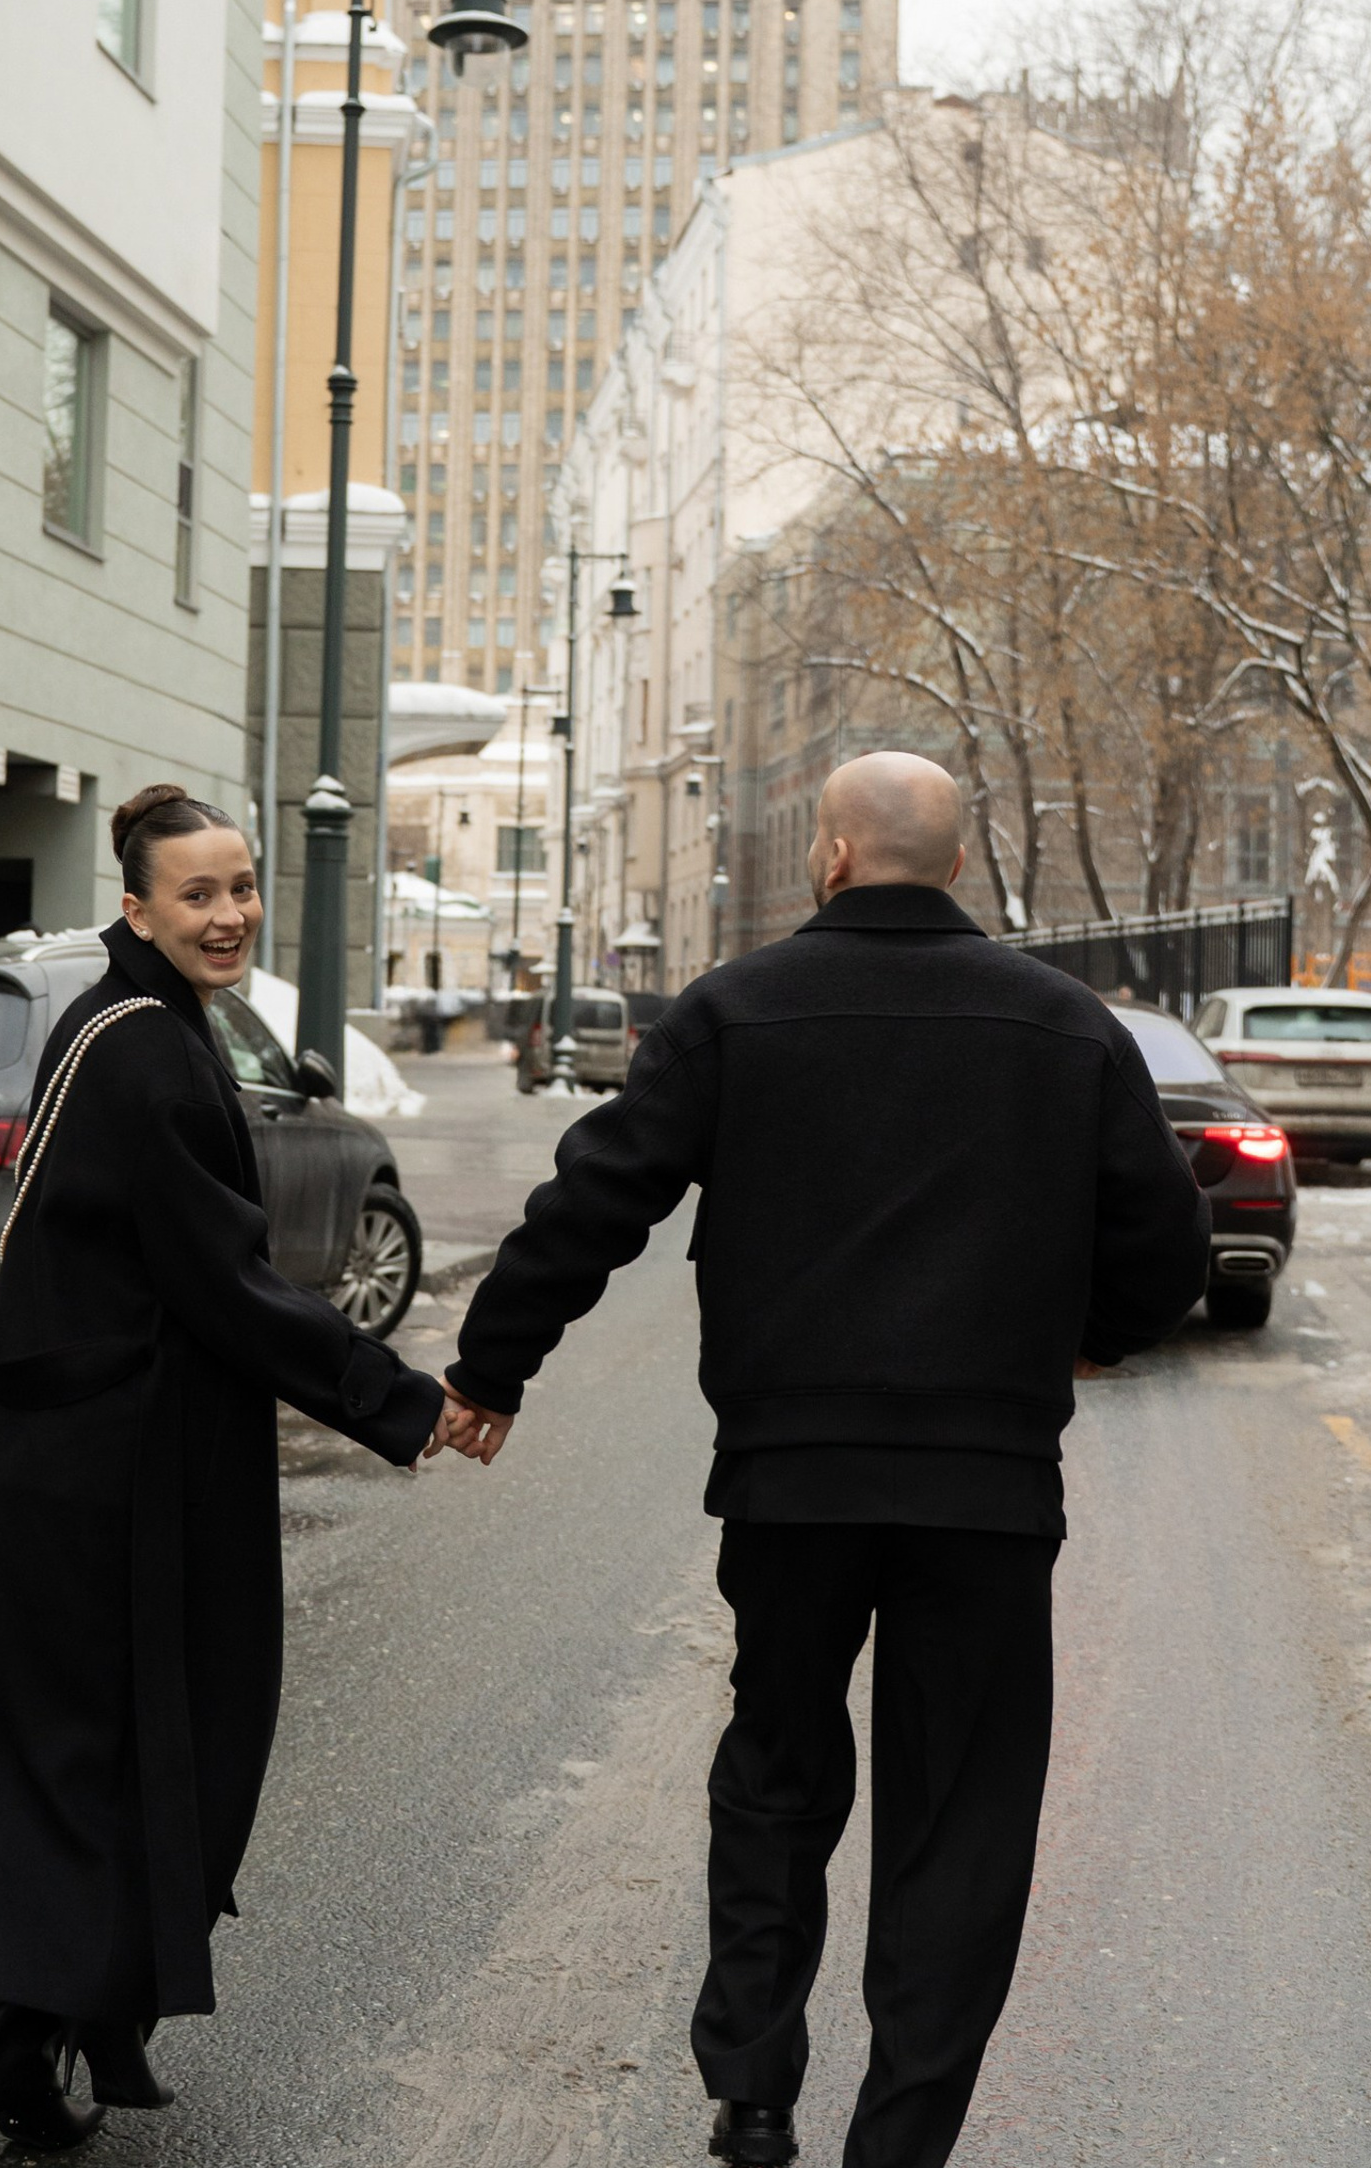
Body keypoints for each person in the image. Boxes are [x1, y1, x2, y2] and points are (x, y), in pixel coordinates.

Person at [439, 751, 1209, 2168]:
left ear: (831, 857)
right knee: (960, 1823)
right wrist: (1088, 1336)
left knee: (779, 1775)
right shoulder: (1067, 1025)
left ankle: (750, 2088)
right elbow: (1169, 1251)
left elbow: (597, 1193)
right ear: (958, 866)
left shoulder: (737, 1010)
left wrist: (494, 1370)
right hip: (985, 1496)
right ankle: (899, 2141)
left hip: (791, 1483)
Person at [0, 784, 456, 2161]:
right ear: (135, 906)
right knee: (111, 1743)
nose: (228, 915)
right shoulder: (143, 1047)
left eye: (243, 888)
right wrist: (398, 1399)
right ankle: (18, 2044)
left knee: (85, 1746)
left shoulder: (138, 1022)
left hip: (83, 1446)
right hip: (107, 1468)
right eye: (197, 894)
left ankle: (40, 2037)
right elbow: (230, 1286)